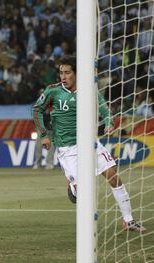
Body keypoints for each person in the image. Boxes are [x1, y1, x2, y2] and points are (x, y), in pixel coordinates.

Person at [33, 56, 146, 233]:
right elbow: (37, 109)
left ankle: (128, 220)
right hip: (66, 148)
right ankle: (73, 189)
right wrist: (43, 135)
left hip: (89, 143)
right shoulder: (53, 91)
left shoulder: (89, 90)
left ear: (76, 74)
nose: (63, 76)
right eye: (61, 73)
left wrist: (109, 122)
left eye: (67, 72)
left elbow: (104, 109)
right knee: (80, 192)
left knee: (112, 174)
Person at [33, 89, 55, 170]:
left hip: (51, 127)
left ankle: (49, 163)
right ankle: (37, 163)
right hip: (41, 127)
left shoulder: (53, 102)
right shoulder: (39, 103)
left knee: (51, 145)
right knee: (38, 144)